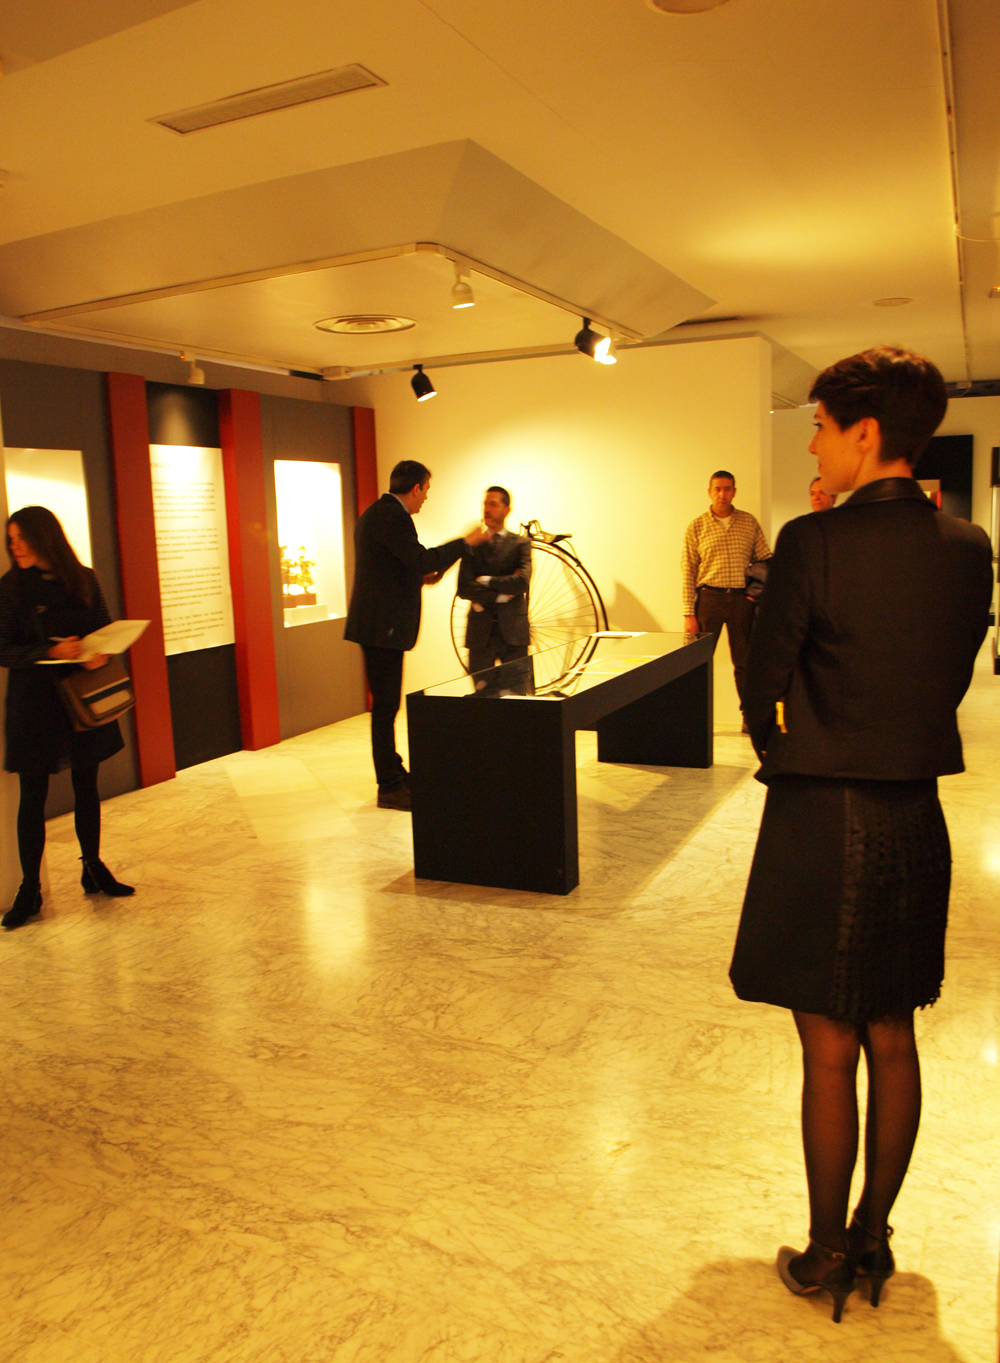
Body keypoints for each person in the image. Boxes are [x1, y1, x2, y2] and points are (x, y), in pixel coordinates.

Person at [729, 346, 992, 1321]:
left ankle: (827, 1252)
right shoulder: (967, 546)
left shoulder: (813, 540)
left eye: (820, 427)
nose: (814, 445)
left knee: (829, 1046)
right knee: (892, 1031)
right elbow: (951, 672)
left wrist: (786, 747)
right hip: (913, 812)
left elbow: (762, 679)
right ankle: (875, 1239)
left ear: (865, 432)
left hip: (822, 813)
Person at [0, 506, 134, 930]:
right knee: (32, 794)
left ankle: (92, 867)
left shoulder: (83, 578)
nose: (14, 546)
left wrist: (100, 652)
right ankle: (29, 889)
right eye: (10, 539)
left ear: (45, 537)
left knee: (86, 784)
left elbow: (104, 626)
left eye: (21, 537)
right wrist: (48, 652)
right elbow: (3, 650)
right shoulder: (10, 588)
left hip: (81, 697)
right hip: (34, 704)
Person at [344, 460, 490, 811]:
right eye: (426, 490)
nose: (426, 498)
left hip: (377, 626)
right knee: (385, 708)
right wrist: (464, 543)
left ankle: (394, 771)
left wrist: (419, 575)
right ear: (415, 488)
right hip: (381, 629)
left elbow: (396, 566)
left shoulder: (379, 514)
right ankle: (389, 785)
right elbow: (422, 560)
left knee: (386, 705)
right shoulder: (392, 517)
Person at [681, 471, 771, 717]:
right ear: (709, 492)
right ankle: (694, 716)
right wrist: (688, 613)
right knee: (698, 663)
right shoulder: (697, 526)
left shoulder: (748, 522)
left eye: (727, 489)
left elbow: (765, 560)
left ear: (734, 492)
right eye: (718, 489)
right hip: (709, 600)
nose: (722, 494)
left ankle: (749, 716)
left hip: (741, 601)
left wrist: (755, 595)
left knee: (745, 663)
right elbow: (688, 570)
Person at [457, 486, 531, 674]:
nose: (487, 509)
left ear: (506, 510)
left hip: (514, 632)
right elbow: (464, 587)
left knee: (518, 691)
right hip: (480, 634)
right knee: (482, 692)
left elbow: (521, 582)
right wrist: (500, 596)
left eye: (493, 504)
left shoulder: (521, 544)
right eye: (485, 504)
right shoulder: (473, 545)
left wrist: (486, 580)